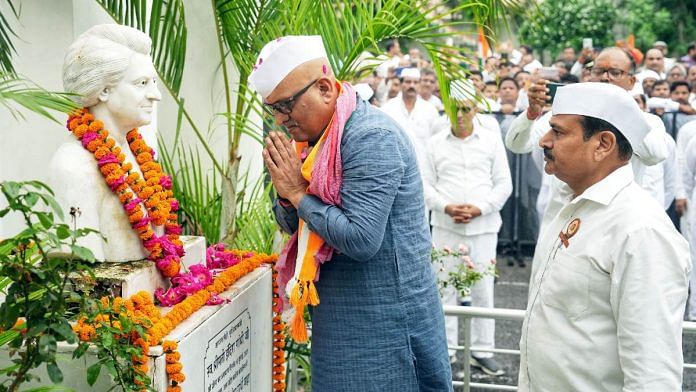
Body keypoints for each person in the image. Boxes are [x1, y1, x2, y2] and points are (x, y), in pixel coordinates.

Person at [251, 35, 452, 391]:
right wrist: (286, 196)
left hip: (384, 317)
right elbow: (295, 224)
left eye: (285, 106)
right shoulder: (314, 141)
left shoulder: (370, 137)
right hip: (343, 313)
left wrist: (297, 193)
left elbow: (361, 239)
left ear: (326, 88)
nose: (281, 120)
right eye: (273, 110)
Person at [519, 82, 690, 391]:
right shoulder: (571, 206)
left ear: (602, 144)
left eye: (557, 132)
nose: (544, 140)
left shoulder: (641, 230)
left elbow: (653, 376)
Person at [506, 47, 670, 229]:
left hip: (615, 221)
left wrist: (622, 113)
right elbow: (517, 145)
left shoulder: (648, 122)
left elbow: (655, 155)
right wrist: (531, 113)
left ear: (631, 81)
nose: (605, 78)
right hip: (563, 220)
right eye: (599, 71)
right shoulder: (564, 115)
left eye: (615, 72)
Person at [49, 24, 162, 262]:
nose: (156, 94)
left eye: (154, 82)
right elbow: (82, 271)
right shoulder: (74, 166)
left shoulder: (138, 151)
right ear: (103, 91)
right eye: (142, 83)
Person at [423, 80, 512, 376]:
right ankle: (445, 351)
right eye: (453, 109)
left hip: (483, 227)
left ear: (475, 108)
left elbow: (503, 184)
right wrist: (447, 206)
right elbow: (424, 185)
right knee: (443, 289)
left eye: (465, 109)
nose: (459, 116)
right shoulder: (434, 144)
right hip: (446, 226)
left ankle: (482, 351)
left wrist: (480, 208)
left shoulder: (490, 141)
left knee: (483, 290)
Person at [382, 67, 441, 168]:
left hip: (423, 168)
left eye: (415, 82)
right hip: (394, 166)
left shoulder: (430, 110)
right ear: (401, 84)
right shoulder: (388, 108)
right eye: (408, 82)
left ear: (419, 85)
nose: (411, 85)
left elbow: (437, 140)